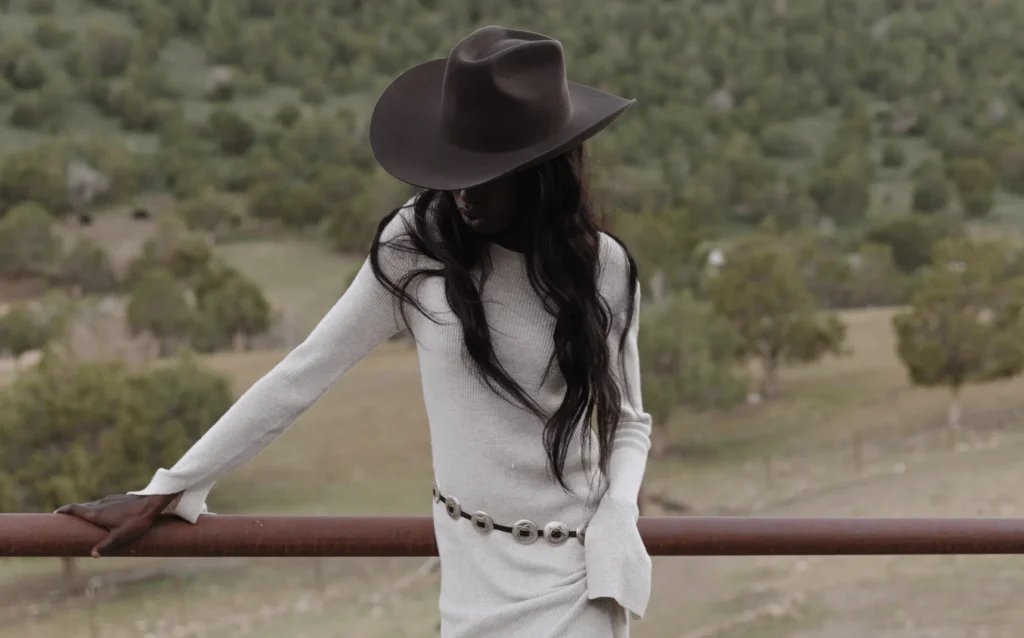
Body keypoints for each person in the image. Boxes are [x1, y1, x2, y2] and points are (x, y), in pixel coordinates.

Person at [57, 25, 653, 638]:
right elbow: (306, 370)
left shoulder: (603, 268)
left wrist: (618, 510)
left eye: (490, 170)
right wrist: (173, 487)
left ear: (542, 171)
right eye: (456, 164)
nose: (463, 190)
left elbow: (628, 420)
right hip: (475, 588)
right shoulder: (418, 247)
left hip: (581, 586)